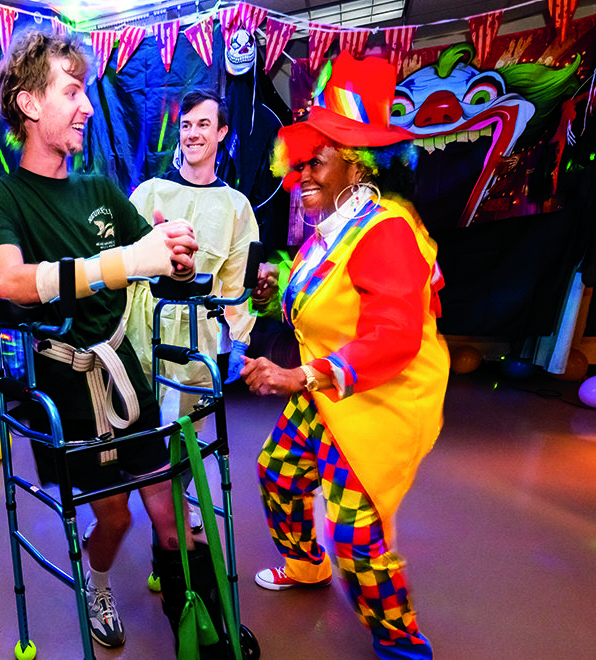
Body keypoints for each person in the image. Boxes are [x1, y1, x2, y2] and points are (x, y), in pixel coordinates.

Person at [0, 30, 235, 653]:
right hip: (66, 390)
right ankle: (98, 584)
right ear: (29, 103)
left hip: (127, 376)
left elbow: (160, 263)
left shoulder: (100, 191)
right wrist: (124, 262)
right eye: (71, 92)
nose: (87, 106)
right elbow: (10, 282)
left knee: (173, 519)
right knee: (114, 518)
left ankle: (207, 641)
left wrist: (175, 253)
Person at [241, 51, 448, 660]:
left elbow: (394, 335)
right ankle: (306, 566)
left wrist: (302, 374)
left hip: (375, 404)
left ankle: (403, 646)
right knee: (278, 473)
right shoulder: (331, 230)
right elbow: (328, 301)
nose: (301, 175)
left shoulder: (385, 229)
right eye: (299, 162)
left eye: (317, 162)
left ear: (355, 164)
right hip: (324, 397)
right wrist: (276, 289)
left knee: (357, 539)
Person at [120, 87, 258, 534]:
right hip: (141, 328)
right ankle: (116, 510)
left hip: (197, 336)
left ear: (221, 133)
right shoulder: (149, 193)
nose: (193, 133)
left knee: (186, 428)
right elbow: (119, 260)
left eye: (203, 124)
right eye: (185, 125)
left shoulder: (236, 207)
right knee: (131, 421)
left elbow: (237, 282)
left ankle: (178, 501)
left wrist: (236, 342)